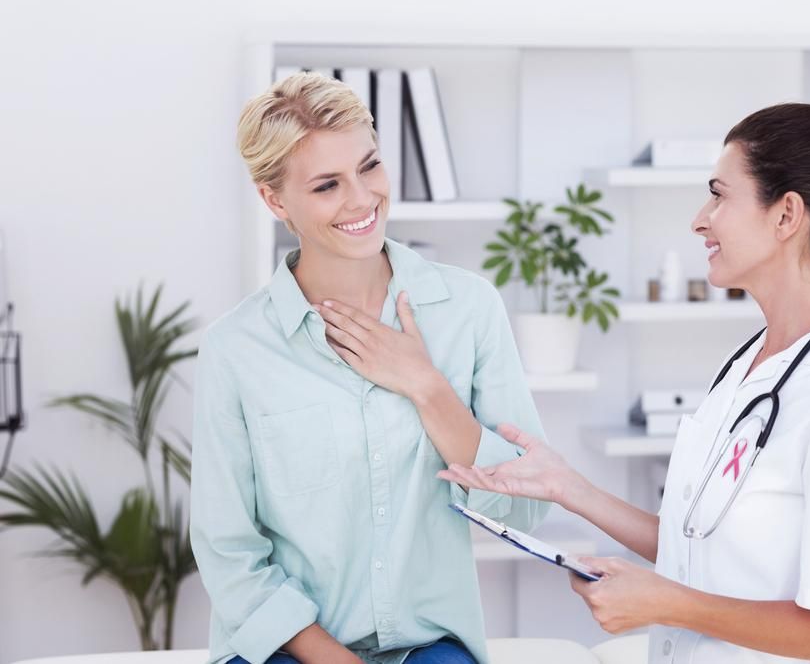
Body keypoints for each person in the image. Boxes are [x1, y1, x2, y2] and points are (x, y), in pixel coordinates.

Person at [440, 103, 810, 664]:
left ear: (786, 215)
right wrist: (568, 489)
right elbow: (697, 542)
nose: (701, 219)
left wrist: (666, 604)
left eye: (720, 195)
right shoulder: (750, 363)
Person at [190, 72, 549, 664]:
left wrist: (426, 386)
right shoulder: (237, 348)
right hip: (289, 648)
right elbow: (228, 549)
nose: (362, 199)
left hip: (428, 645)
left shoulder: (468, 310)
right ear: (275, 200)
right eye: (328, 185)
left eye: (370, 166)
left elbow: (527, 507)